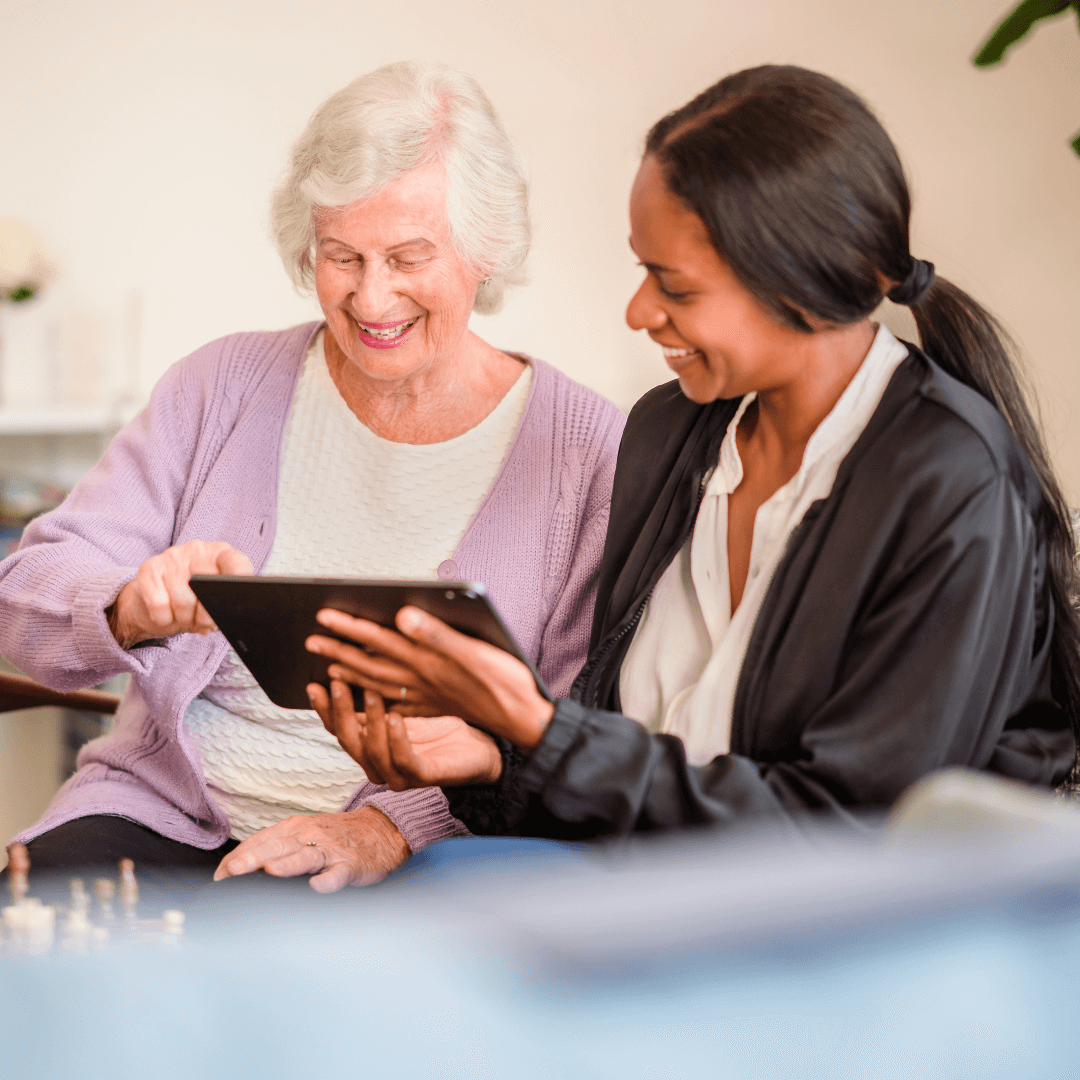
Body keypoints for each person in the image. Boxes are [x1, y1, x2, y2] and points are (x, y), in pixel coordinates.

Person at [304, 64, 1080, 842]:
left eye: (673, 286)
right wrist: (494, 760)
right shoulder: (669, 434)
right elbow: (622, 784)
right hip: (635, 896)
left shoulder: (950, 485)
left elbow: (850, 835)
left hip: (818, 938)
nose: (639, 311)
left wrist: (544, 735)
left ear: (801, 286)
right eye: (643, 270)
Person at [0, 61, 623, 885]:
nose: (371, 298)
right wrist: (128, 603)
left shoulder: (585, 450)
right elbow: (24, 595)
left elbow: (572, 726)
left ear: (485, 251)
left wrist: (386, 826)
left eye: (407, 257)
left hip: (408, 854)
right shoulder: (220, 385)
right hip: (160, 815)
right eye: (342, 256)